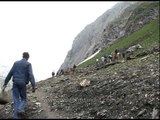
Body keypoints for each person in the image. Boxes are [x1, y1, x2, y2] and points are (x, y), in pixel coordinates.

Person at [2, 52, 36, 119]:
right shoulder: (28, 64)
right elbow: (31, 75)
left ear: (22, 56)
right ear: (28, 57)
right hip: (23, 83)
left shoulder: (16, 63)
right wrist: (33, 86)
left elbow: (10, 74)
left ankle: (15, 116)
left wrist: (5, 84)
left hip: (15, 83)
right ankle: (20, 109)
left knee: (16, 99)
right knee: (23, 98)